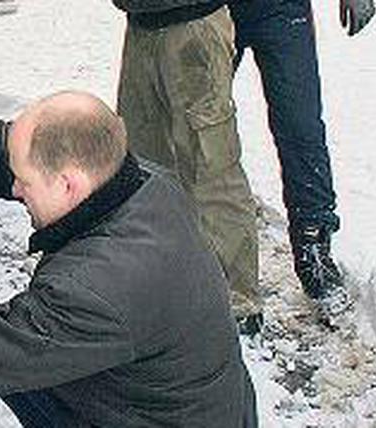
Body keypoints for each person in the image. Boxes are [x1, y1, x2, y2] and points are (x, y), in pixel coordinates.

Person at [0, 91, 257, 427]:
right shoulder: (140, 183)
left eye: (24, 181)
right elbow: (16, 153)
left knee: (5, 362)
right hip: (175, 400)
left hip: (155, 418)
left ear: (68, 184)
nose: (15, 189)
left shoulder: (96, 290)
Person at [114, 0, 264, 334]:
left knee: (211, 166)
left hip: (194, 26)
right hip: (141, 26)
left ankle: (237, 303)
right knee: (142, 165)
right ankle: (161, 282)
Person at [229, 0, 375, 323]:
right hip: (210, 12)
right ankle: (202, 249)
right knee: (200, 130)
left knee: (301, 127)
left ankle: (314, 249)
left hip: (283, 10)